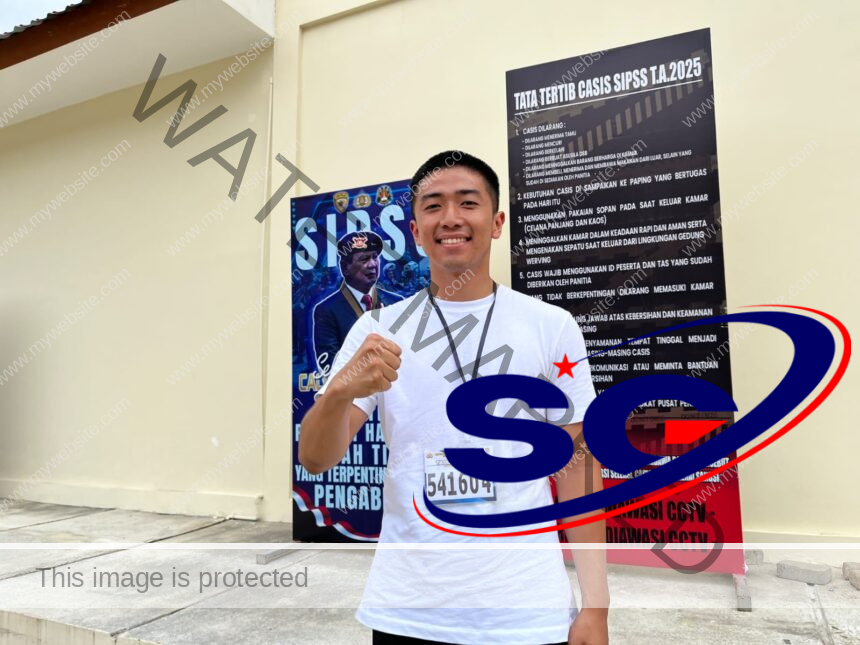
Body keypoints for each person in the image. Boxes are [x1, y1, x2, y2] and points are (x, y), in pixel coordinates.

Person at [300, 151, 609, 645]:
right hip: (409, 610)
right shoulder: (378, 330)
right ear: (416, 231)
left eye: (468, 202)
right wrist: (337, 393)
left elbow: (578, 469)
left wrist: (597, 606)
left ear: (497, 222)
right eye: (433, 205)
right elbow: (316, 459)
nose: (450, 218)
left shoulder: (551, 326)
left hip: (526, 609)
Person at [312, 230, 402, 375]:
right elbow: (328, 366)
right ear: (345, 267)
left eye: (375, 257)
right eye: (364, 259)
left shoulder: (396, 303)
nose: (372, 264)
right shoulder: (327, 310)